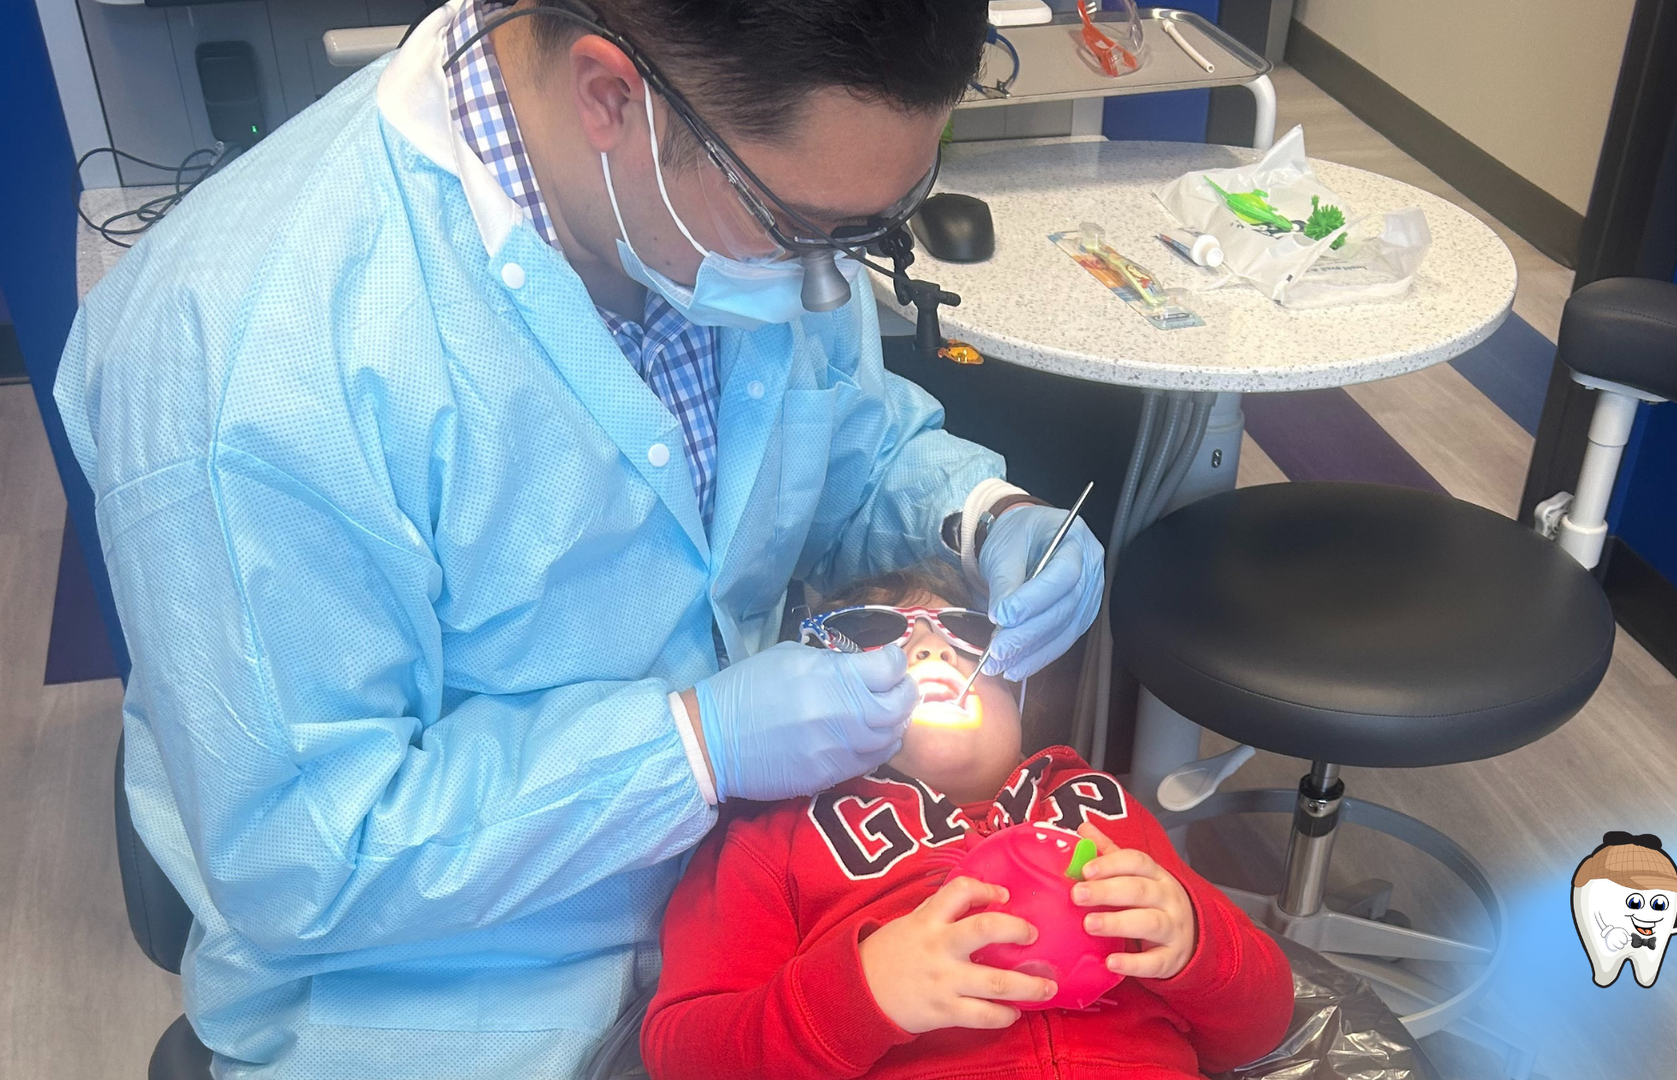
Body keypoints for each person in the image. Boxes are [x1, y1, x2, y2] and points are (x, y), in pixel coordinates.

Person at [52, 1, 1103, 1076]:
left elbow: (843, 444)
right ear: (612, 95)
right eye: (801, 229)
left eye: (869, 227)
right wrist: (689, 749)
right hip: (463, 1005)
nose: (827, 285)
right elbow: (306, 857)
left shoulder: (733, 197)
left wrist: (979, 515)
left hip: (762, 905)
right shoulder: (244, 366)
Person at [642, 564, 1292, 1079]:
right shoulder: (773, 832)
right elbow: (684, 1052)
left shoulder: (1098, 805)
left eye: (963, 635)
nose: (931, 651)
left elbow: (1257, 1027)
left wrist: (1195, 942)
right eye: (878, 636)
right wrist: (860, 996)